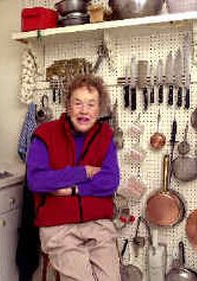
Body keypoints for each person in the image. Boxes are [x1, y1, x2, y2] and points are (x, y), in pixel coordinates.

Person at [27, 74, 121, 281]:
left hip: (98, 223)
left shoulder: (105, 136)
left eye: (91, 104)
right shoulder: (45, 134)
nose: (84, 110)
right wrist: (83, 172)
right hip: (58, 226)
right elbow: (36, 180)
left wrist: (72, 189)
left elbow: (110, 180)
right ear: (68, 107)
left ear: (99, 109)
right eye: (77, 103)